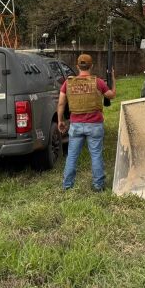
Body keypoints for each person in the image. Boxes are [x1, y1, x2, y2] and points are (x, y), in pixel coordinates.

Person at [58, 53, 116, 191]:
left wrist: (60, 120)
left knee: (72, 156)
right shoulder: (98, 82)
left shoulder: (68, 83)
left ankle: (67, 185)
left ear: (77, 66)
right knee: (96, 155)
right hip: (95, 125)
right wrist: (113, 78)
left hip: (76, 125)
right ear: (92, 66)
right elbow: (111, 95)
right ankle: (98, 185)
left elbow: (61, 103)